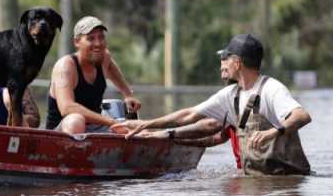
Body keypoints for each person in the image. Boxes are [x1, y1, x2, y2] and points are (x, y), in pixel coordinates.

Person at [123, 33, 311, 174]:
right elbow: (190, 115)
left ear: (237, 63)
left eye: (226, 59)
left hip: (286, 183)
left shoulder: (272, 89)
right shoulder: (231, 95)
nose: (222, 63)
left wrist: (273, 132)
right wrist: (146, 125)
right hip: (256, 180)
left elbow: (302, 116)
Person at [45, 16, 141, 134]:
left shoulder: (104, 57)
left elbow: (112, 69)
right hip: (63, 131)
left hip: (95, 127)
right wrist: (111, 122)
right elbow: (67, 108)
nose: (98, 43)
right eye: (91, 38)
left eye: (101, 37)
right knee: (76, 120)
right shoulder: (65, 66)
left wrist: (127, 94)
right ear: (77, 42)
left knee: (134, 129)